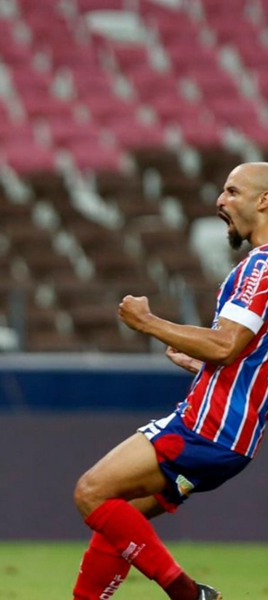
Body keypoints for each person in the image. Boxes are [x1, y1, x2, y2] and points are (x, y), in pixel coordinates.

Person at [70, 162, 268, 600]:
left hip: (207, 427)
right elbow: (251, 363)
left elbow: (225, 345)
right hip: (234, 440)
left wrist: (148, 322)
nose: (220, 200)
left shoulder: (262, 265)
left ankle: (187, 594)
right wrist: (205, 369)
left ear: (264, 200)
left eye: (232, 191)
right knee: (119, 521)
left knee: (91, 492)